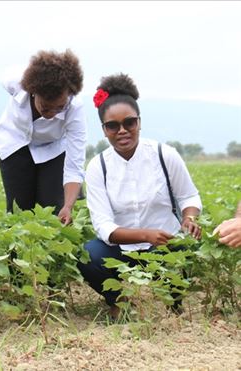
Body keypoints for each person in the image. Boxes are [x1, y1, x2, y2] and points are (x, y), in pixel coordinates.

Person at [77, 73, 202, 319]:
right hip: (121, 249)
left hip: (166, 243)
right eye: (113, 126)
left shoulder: (164, 155)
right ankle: (118, 303)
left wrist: (189, 218)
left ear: (139, 122)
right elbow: (103, 226)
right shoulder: (97, 166)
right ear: (104, 130)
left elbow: (189, 197)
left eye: (129, 123)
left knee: (182, 251)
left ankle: (174, 304)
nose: (122, 131)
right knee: (88, 254)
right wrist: (145, 235)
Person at [0, 49, 86, 224]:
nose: (51, 114)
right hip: (14, 142)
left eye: (59, 108)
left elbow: (75, 164)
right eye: (45, 107)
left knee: (53, 209)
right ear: (33, 91)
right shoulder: (15, 82)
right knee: (19, 211)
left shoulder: (75, 108)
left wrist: (67, 206)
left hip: (52, 148)